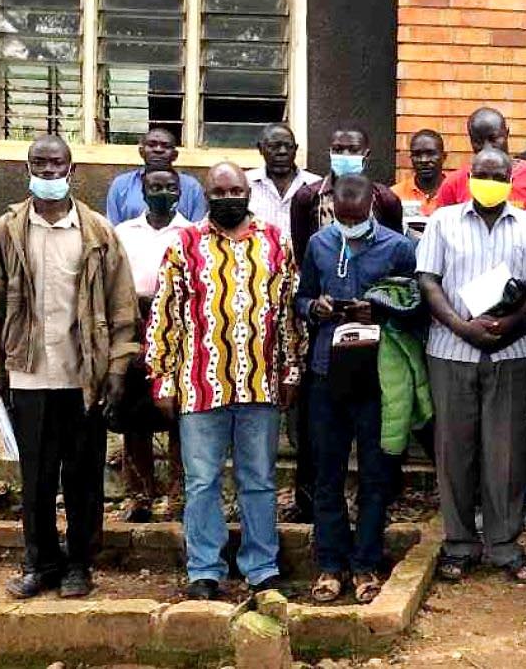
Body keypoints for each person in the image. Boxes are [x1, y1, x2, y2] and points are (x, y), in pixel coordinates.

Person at [0, 134, 137, 599]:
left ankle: (78, 565)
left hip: (83, 378)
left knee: (82, 476)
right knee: (35, 476)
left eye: (57, 165)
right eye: (40, 165)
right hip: (27, 373)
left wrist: (115, 369)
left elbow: (121, 305)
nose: (48, 173)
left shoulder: (97, 233)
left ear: (73, 172)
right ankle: (40, 562)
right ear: (27, 170)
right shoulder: (6, 232)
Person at [146, 162, 304, 600]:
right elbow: (165, 314)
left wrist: (292, 369)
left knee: (259, 479)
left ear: (247, 193)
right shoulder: (185, 244)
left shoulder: (276, 241)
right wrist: (162, 378)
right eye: (220, 191)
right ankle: (205, 569)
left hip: (260, 383)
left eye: (236, 190)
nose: (229, 198)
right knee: (201, 482)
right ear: (207, 195)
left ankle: (261, 566)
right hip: (201, 383)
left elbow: (289, 312)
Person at [418, 148, 526, 586]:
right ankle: (459, 543)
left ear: (511, 179)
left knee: (506, 452)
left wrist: (510, 323)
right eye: (482, 173)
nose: (489, 180)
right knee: (454, 451)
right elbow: (427, 280)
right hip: (451, 349)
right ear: (469, 176)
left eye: (499, 175)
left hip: (512, 353)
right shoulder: (443, 221)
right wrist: (461, 326)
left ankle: (504, 544)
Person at [296, 174, 417, 604]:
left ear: (372, 206)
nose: (349, 223)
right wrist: (316, 307)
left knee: (374, 474)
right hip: (328, 371)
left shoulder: (399, 248)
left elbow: (414, 304)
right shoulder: (320, 245)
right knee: (327, 474)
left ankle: (366, 562)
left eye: (357, 216)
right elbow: (301, 297)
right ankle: (331, 563)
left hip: (377, 374)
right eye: (341, 217)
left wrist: (378, 309)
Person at [111, 164, 191, 523]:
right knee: (134, 416)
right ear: (142, 192)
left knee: (179, 415)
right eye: (155, 187)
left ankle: (177, 493)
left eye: (170, 187)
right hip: (133, 329)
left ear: (180, 192)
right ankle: (139, 494)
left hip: (181, 331)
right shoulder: (123, 233)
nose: (163, 193)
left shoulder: (192, 233)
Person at [289, 124, 404, 261]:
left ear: (366, 155)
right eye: (338, 150)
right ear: (330, 152)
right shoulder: (307, 196)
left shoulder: (385, 198)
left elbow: (395, 249)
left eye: (353, 150)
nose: (345, 155)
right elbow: (302, 254)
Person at [435, 107, 526, 225]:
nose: (487, 147)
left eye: (493, 139)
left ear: (507, 133)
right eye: (478, 141)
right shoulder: (453, 183)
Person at [104, 127, 207, 224]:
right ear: (141, 152)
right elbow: (113, 228)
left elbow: (199, 230)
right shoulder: (121, 185)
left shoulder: (192, 187)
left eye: (165, 146)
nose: (158, 150)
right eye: (152, 145)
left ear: (175, 155)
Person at [246, 123, 323, 235]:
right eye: (274, 146)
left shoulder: (315, 185)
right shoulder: (245, 183)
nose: (282, 151)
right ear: (260, 148)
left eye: (289, 146)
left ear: (296, 149)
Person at [392, 129, 447, 237]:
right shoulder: (394, 195)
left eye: (430, 154)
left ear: (444, 157)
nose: (424, 160)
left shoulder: (456, 191)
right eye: (417, 154)